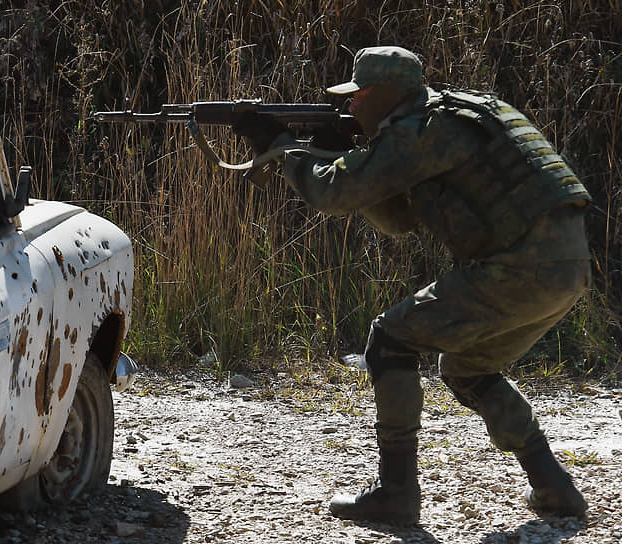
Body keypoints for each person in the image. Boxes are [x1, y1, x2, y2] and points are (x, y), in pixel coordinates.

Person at [233, 46, 591, 524]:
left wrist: (286, 149)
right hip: (566, 268)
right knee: (467, 367)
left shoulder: (420, 129)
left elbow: (332, 195)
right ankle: (554, 486)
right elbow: (398, 219)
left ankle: (396, 493)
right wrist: (342, 155)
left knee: (390, 340)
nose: (352, 106)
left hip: (518, 267)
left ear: (384, 94)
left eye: (359, 96)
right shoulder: (459, 112)